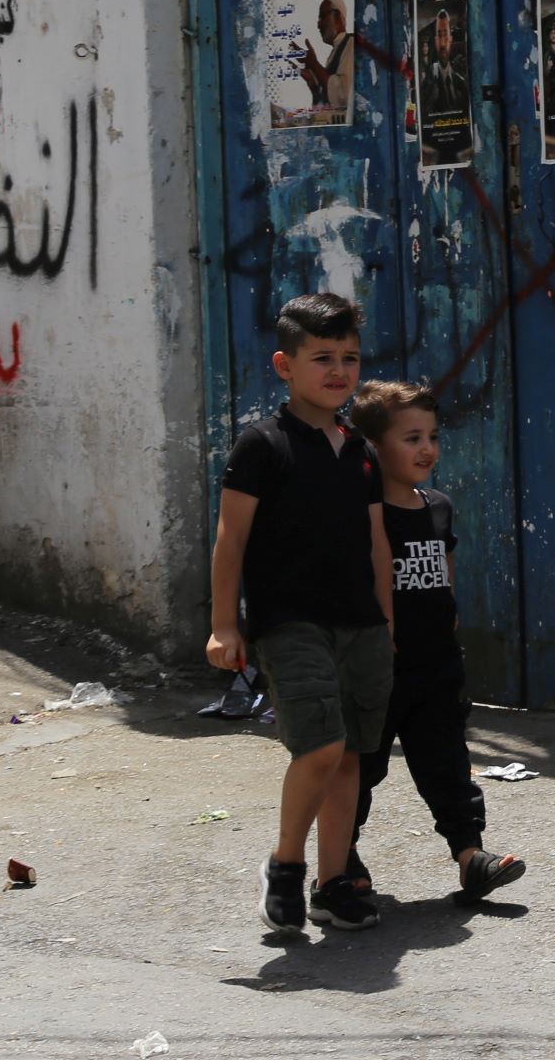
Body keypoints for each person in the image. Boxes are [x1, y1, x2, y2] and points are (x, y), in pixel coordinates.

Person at [205, 291, 393, 935]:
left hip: (360, 624)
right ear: (286, 365)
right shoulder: (262, 445)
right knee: (321, 745)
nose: (339, 371)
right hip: (289, 622)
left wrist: (386, 625)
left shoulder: (361, 452)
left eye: (349, 357)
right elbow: (231, 539)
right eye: (322, 358)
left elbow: (377, 546)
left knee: (349, 760)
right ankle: (285, 866)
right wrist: (224, 624)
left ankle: (332, 882)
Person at [342, 381, 526, 905]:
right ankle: (341, 860)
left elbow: (443, 581)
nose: (427, 449)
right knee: (360, 768)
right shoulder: (365, 512)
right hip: (379, 668)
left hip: (437, 668)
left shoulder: (438, 506)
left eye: (432, 436)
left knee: (446, 761)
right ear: (374, 446)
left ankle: (472, 857)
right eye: (411, 438)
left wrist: (450, 643)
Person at [296, 0, 353, 116]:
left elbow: (342, 96)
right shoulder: (335, 52)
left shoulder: (351, 43)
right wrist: (314, 87)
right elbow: (325, 109)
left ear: (337, 17)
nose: (318, 24)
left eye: (322, 16)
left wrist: (314, 64)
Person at [417, 7, 468, 117]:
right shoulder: (429, 80)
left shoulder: (461, 82)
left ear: (451, 39)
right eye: (439, 35)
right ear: (435, 41)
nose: (443, 43)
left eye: (445, 35)